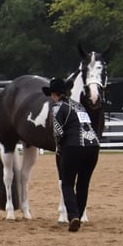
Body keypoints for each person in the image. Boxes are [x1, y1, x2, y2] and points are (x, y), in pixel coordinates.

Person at [42, 78, 100, 232]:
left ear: (54, 94)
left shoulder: (57, 107)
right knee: (83, 184)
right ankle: (78, 216)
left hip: (73, 147)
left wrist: (59, 147)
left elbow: (58, 131)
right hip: (93, 146)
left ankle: (73, 215)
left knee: (67, 183)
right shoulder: (79, 106)